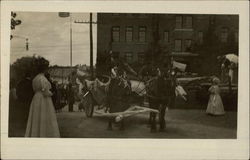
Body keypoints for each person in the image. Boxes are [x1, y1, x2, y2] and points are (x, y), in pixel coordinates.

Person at [25, 58, 60, 137]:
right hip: (43, 99)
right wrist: (52, 93)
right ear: (44, 69)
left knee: (37, 117)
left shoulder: (35, 78)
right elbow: (45, 91)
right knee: (44, 116)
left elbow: (35, 89)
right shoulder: (43, 78)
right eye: (47, 68)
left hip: (36, 98)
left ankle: (36, 133)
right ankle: (44, 134)